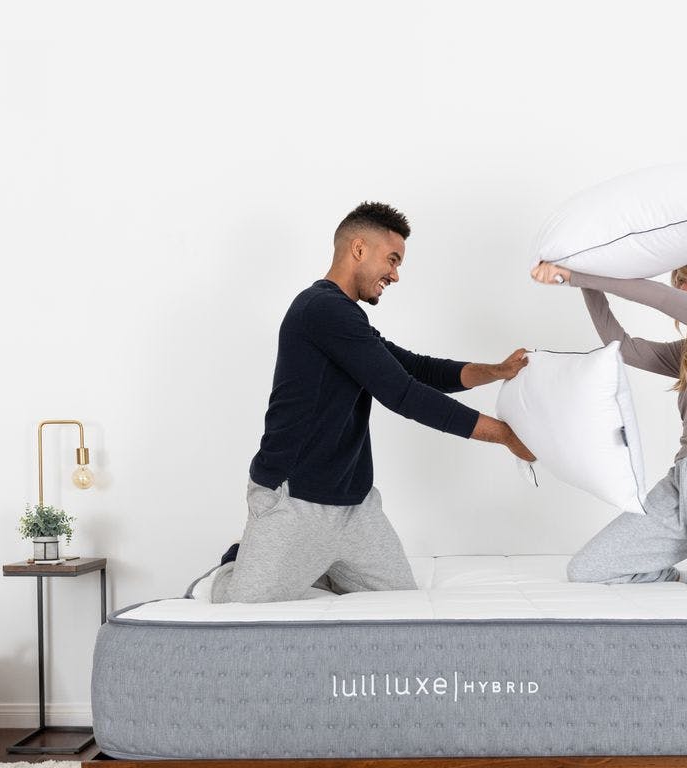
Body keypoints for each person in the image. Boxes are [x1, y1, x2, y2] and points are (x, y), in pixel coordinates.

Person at [212, 202, 534, 604]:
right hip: (294, 500)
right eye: (393, 260)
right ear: (359, 249)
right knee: (236, 608)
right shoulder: (320, 309)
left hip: (355, 506)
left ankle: (314, 564)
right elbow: (403, 393)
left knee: (400, 602)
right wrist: (502, 434)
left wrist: (495, 370)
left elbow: (416, 369)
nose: (396, 275)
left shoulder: (348, 319)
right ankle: (238, 560)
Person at [530, 247, 687, 608]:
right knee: (589, 567)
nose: (678, 292)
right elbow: (621, 347)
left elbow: (658, 298)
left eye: (684, 282)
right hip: (685, 476)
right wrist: (583, 283)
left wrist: (574, 273)